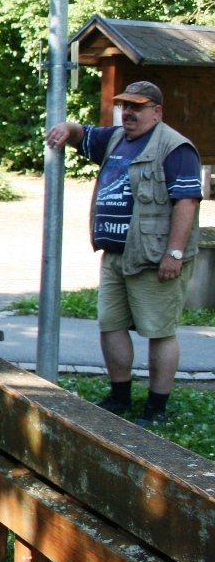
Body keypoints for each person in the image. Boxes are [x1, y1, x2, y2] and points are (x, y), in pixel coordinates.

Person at [46, 81, 202, 426]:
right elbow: (81, 133)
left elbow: (187, 201)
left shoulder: (175, 148)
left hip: (153, 255)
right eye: (125, 106)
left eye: (138, 106)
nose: (128, 112)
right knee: (110, 324)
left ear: (156, 112)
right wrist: (65, 129)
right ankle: (120, 397)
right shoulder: (115, 138)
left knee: (159, 329)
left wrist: (173, 254)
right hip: (115, 255)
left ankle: (156, 407)